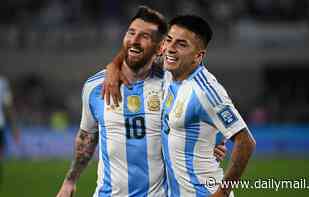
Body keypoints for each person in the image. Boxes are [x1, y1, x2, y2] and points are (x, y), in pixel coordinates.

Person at [56, 6, 226, 197]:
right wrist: (70, 181)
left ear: (160, 46)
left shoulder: (172, 83)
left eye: (145, 36)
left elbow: (208, 103)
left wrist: (212, 143)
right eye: (131, 33)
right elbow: (87, 137)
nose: (135, 40)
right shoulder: (95, 87)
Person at [160, 15, 256, 197]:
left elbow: (246, 142)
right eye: (169, 40)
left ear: (198, 56)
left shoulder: (205, 90)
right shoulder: (171, 77)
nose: (170, 49)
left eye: (181, 44)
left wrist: (222, 193)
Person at [0, 76, 20, 183]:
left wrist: (14, 127)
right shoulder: (2, 83)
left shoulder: (3, 83)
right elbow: (8, 107)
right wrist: (14, 127)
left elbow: (8, 106)